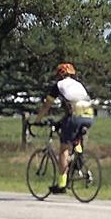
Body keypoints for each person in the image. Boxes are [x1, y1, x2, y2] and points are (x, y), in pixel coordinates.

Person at [33, 63, 94, 194]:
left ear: (60, 75)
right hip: (89, 116)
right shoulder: (79, 84)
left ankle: (61, 184)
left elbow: (47, 105)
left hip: (75, 116)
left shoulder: (59, 85)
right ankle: (79, 159)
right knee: (74, 137)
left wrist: (37, 120)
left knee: (63, 149)